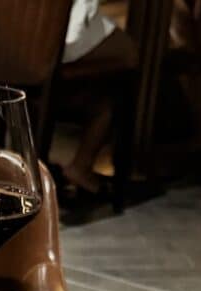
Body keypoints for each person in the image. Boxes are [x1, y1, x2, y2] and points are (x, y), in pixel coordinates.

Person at [60, 0, 138, 195]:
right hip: (52, 35)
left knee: (102, 91)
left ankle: (81, 164)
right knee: (129, 56)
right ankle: (84, 164)